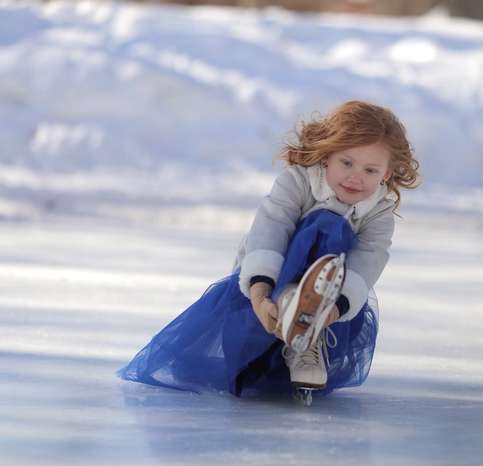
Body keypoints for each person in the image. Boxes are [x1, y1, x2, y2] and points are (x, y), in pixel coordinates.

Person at [116, 100, 420, 400]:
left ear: (388, 173)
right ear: (327, 155)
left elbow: (369, 258)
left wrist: (333, 310)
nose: (356, 177)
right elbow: (270, 229)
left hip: (331, 303)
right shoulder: (297, 182)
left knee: (337, 233)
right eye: (347, 163)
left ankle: (308, 334)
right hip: (264, 288)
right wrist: (261, 294)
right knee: (326, 225)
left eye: (371, 170)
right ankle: (289, 299)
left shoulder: (378, 210)